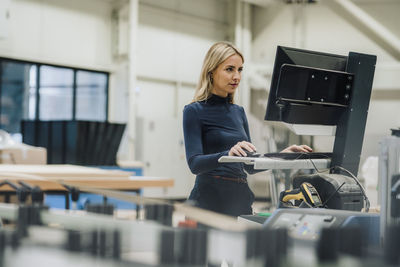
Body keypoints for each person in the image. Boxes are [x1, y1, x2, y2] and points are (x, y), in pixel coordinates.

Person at [182, 41, 312, 217]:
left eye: (240, 70)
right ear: (211, 71)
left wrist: (283, 154)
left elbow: (249, 165)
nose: (236, 76)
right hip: (208, 200)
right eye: (229, 69)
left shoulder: (238, 112)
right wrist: (228, 154)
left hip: (239, 199)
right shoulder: (194, 111)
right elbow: (195, 164)